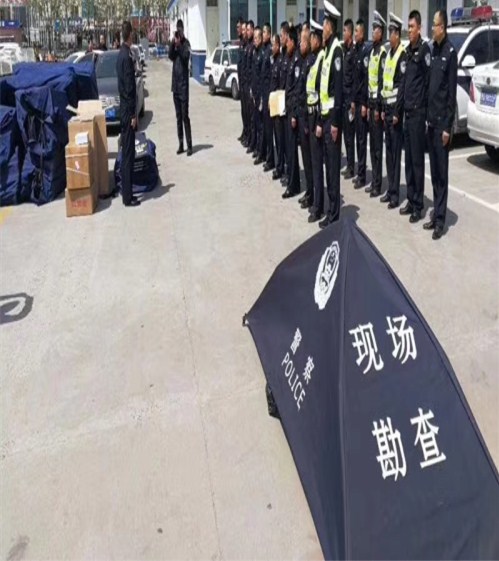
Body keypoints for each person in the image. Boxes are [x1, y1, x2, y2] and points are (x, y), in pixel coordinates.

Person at [425, 9, 457, 239]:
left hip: (441, 126)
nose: (432, 28)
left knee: (442, 175)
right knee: (434, 172)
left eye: (435, 24)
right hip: (431, 122)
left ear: (443, 27)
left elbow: (451, 94)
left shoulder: (450, 52)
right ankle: (436, 213)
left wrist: (448, 127)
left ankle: (440, 221)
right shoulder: (433, 50)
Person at [400, 9, 431, 223]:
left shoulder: (424, 50)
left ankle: (419, 205)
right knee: (409, 161)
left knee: (418, 162)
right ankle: (411, 199)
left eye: (412, 27)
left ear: (419, 28)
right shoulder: (407, 51)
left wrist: (425, 113)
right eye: (408, 27)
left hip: (418, 114)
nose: (409, 30)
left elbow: (428, 83)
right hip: (407, 113)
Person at [317, 0, 343, 229]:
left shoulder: (336, 52)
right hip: (325, 118)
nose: (322, 28)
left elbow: (339, 91)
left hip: (332, 121)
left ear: (331, 28)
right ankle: (330, 209)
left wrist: (334, 122)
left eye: (324, 24)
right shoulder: (326, 51)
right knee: (328, 166)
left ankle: (334, 215)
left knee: (333, 169)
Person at [380, 13, 406, 209]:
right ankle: (390, 190)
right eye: (389, 32)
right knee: (388, 153)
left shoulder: (401, 55)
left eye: (391, 32)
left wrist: (397, 112)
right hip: (386, 110)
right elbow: (385, 83)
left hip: (395, 112)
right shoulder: (389, 54)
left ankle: (396, 194)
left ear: (397, 34)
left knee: (395, 154)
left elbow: (401, 86)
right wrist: (383, 108)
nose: (389, 36)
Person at [117, 21, 139, 207]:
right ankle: (127, 196)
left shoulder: (122, 54)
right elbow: (128, 89)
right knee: (128, 155)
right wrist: (133, 115)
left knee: (128, 153)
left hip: (124, 109)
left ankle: (128, 193)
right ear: (130, 34)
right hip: (127, 111)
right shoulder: (126, 56)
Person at [306, 20, 325, 223]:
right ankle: (314, 201)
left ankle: (318, 207)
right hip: (310, 116)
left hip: (317, 117)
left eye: (312, 38)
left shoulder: (321, 60)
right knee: (312, 162)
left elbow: (322, 92)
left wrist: (319, 121)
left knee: (317, 164)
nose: (310, 42)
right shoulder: (314, 59)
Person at [366, 10, 386, 198]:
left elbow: (381, 81)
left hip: (377, 106)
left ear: (381, 32)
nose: (373, 32)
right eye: (372, 29)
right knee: (372, 146)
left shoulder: (383, 53)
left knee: (378, 148)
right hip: (370, 104)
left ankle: (378, 184)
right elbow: (369, 81)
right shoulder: (372, 51)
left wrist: (379, 107)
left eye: (376, 30)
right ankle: (374, 181)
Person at [295, 26, 315, 210]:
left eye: (302, 41)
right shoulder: (302, 61)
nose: (299, 43)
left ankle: (313, 194)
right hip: (301, 116)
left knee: (310, 160)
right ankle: (309, 192)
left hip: (308, 118)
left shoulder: (311, 62)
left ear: (308, 43)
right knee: (305, 159)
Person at [282, 26, 301, 199]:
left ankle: (293, 185)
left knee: (292, 149)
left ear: (293, 42)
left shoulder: (296, 60)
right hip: (287, 108)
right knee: (289, 148)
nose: (285, 43)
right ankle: (292, 180)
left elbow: (295, 90)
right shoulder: (289, 58)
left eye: (287, 41)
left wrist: (294, 114)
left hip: (293, 112)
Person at [169, 19, 193, 156]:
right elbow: (170, 56)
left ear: (183, 30)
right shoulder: (175, 43)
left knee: (185, 116)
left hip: (183, 86)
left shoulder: (186, 44)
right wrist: (173, 44)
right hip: (175, 86)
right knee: (178, 117)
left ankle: (189, 145)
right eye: (177, 30)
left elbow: (185, 58)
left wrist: (180, 46)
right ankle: (181, 144)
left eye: (180, 30)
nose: (179, 32)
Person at [352, 19, 369, 190]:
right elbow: (354, 80)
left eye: (357, 32)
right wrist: (353, 101)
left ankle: (362, 175)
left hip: (362, 103)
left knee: (362, 140)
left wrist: (364, 103)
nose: (355, 34)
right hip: (355, 102)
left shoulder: (365, 51)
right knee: (358, 139)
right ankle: (359, 172)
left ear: (362, 33)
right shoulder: (356, 50)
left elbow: (365, 80)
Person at [275, 21, 290, 185]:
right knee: (280, 139)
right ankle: (282, 168)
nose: (281, 38)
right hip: (280, 101)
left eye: (282, 35)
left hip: (287, 103)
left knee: (287, 142)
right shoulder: (282, 55)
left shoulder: (290, 56)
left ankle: (287, 170)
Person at [342, 18, 356, 180]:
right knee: (346, 136)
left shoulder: (352, 52)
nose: (343, 33)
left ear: (350, 33)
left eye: (345, 31)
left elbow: (353, 79)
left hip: (350, 100)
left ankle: (352, 167)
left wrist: (352, 101)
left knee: (350, 137)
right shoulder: (345, 50)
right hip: (344, 99)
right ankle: (349, 165)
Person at [261, 23, 274, 171]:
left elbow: (270, 76)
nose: (263, 35)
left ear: (269, 34)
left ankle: (270, 159)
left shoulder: (270, 51)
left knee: (270, 131)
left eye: (265, 32)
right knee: (265, 128)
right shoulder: (264, 50)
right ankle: (266, 155)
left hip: (269, 95)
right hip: (263, 94)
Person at [269, 34, 282, 176]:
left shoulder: (280, 61)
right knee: (276, 138)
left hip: (279, 105)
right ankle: (279, 166)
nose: (272, 47)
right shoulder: (274, 61)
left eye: (273, 44)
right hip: (273, 103)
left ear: (278, 46)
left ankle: (281, 167)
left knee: (280, 139)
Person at [251, 27, 264, 164]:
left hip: (260, 96)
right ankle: (258, 149)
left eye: (256, 38)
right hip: (254, 94)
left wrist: (260, 98)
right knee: (256, 122)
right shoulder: (255, 52)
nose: (254, 40)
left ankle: (261, 153)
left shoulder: (263, 53)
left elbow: (262, 79)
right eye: (254, 38)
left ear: (260, 38)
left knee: (261, 127)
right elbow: (254, 75)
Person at [236, 18, 246, 143]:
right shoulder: (241, 43)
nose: (238, 30)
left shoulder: (246, 45)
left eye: (240, 28)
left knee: (248, 113)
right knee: (244, 111)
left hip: (246, 83)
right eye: (238, 28)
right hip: (242, 81)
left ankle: (248, 135)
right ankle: (245, 132)